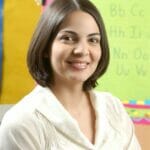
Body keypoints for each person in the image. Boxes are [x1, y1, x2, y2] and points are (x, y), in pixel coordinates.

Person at [0, 0, 141, 149]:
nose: (82, 50)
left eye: (93, 40)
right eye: (68, 38)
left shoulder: (113, 108)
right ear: (46, 47)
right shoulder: (22, 123)